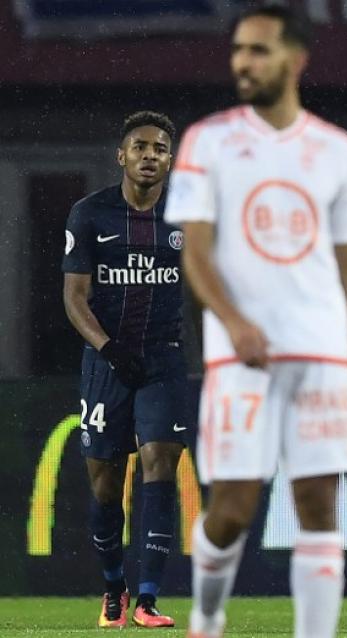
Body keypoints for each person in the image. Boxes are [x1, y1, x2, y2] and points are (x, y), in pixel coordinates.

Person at [163, 5, 347, 638]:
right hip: (241, 357)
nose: (242, 63)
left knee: (318, 506)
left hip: (322, 355)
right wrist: (233, 322)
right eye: (238, 50)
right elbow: (195, 252)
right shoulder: (209, 140)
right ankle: (207, 614)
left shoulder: (340, 152)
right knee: (231, 508)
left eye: (257, 50)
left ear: (295, 59)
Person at [62, 110, 185, 629]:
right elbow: (73, 297)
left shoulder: (187, 216)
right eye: (140, 147)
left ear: (170, 159)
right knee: (106, 486)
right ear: (122, 155)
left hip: (164, 357)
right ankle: (115, 585)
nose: (149, 155)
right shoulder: (90, 214)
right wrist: (109, 348)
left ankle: (149, 600)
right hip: (107, 361)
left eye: (159, 148)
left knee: (159, 461)